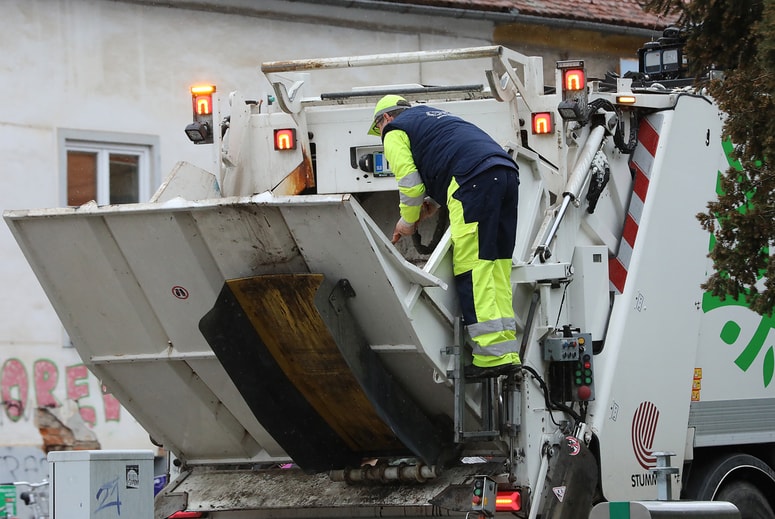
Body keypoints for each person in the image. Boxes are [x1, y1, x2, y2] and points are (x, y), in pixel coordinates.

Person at [368, 94, 521, 378]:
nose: (381, 135)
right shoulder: (431, 116)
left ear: (385, 119)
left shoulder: (394, 130)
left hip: (472, 182)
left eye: (378, 129)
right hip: (504, 174)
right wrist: (434, 204)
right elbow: (449, 159)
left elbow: (411, 186)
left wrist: (407, 221)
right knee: (495, 264)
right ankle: (503, 352)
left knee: (472, 265)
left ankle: (489, 358)